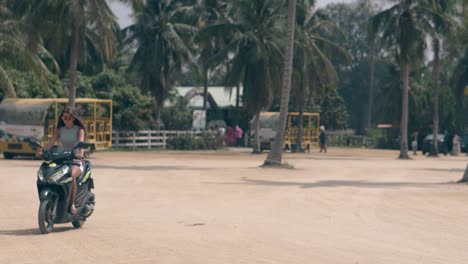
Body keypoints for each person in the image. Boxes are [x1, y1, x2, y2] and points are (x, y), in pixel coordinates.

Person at [36, 107, 85, 215]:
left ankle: (72, 205)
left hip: (75, 160)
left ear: (73, 118)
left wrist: (80, 153)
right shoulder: (59, 130)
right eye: (63, 117)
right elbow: (50, 143)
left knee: (71, 174)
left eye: (68, 117)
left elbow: (81, 144)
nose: (65, 119)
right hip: (62, 159)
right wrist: (43, 152)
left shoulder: (79, 129)